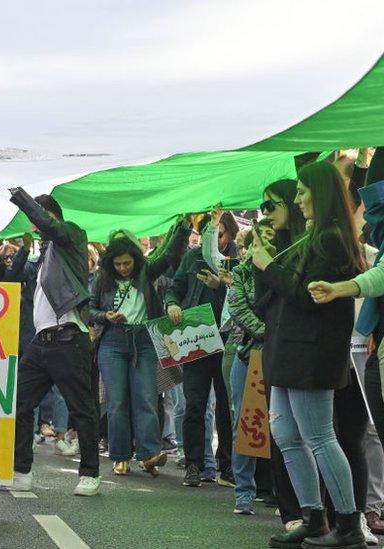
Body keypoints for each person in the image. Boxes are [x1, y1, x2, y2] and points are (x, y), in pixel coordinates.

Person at [253, 161, 366, 548]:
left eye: (302, 192)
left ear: (321, 193)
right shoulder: (311, 237)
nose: (298, 199)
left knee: (319, 436)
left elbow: (307, 297)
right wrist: (264, 263)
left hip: (311, 353)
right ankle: (313, 517)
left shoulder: (331, 238)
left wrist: (268, 265)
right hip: (288, 351)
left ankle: (348, 524)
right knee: (286, 434)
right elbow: (265, 301)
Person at [7, 188, 101, 497]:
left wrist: (18, 194)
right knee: (19, 403)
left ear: (50, 217)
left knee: (82, 408)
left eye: (37, 218)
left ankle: (90, 473)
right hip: (41, 341)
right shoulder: (46, 253)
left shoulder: (71, 234)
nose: (35, 227)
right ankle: (21, 471)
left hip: (68, 336)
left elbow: (51, 227)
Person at [89, 219, 190, 478]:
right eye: (118, 264)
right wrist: (104, 316)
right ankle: (120, 456)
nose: (123, 268)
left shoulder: (147, 271)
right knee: (117, 401)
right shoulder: (102, 279)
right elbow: (87, 308)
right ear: (110, 263)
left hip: (144, 340)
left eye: (127, 263)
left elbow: (168, 255)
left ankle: (149, 455)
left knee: (146, 398)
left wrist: (183, 228)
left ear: (135, 259)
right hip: (111, 341)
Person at [166, 214, 236, 489]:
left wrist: (223, 284)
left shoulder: (239, 259)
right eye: (208, 235)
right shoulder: (192, 258)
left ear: (229, 234)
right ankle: (194, 463)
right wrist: (172, 304)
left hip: (230, 337)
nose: (215, 242)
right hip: (198, 336)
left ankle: (227, 466)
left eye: (219, 235)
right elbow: (175, 287)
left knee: (227, 406)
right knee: (194, 402)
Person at [226, 219, 275, 515]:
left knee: (282, 425)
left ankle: (286, 497)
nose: (266, 243)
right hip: (247, 354)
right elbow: (239, 310)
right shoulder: (242, 272)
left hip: (282, 355)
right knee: (243, 424)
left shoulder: (287, 270)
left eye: (273, 237)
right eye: (262, 237)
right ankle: (244, 491)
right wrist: (271, 332)